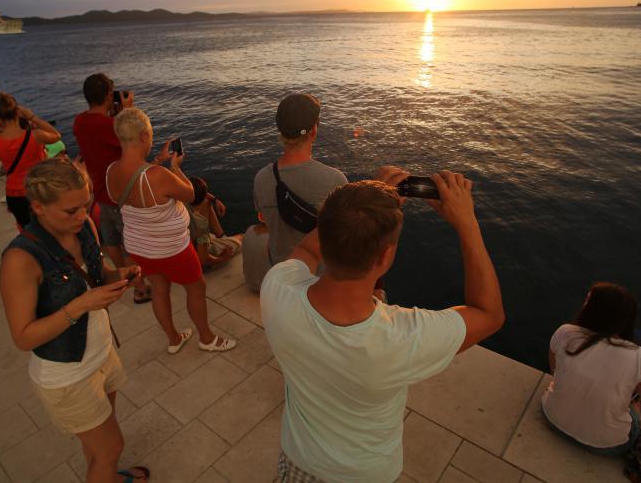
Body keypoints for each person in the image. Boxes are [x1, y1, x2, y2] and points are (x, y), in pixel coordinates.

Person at [261, 167, 504, 481]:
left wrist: (357, 212)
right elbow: (489, 313)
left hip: (299, 461)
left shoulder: (277, 288)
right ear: (385, 256)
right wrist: (467, 222)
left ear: (325, 232)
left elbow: (306, 249)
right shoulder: (402, 339)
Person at [0, 159, 149, 483]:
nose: (82, 216)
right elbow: (23, 337)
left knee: (98, 445)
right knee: (111, 448)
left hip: (101, 353)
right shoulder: (20, 259)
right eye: (71, 211)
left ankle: (105, 476)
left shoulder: (85, 228)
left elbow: (97, 275)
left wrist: (119, 276)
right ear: (38, 207)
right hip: (66, 375)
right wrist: (80, 305)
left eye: (86, 204)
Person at [106, 108, 236, 353]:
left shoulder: (111, 171)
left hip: (139, 247)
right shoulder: (158, 176)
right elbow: (192, 195)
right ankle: (207, 339)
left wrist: (158, 161)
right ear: (144, 136)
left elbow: (136, 183)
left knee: (159, 289)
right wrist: (175, 167)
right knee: (196, 288)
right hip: (171, 248)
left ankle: (174, 339)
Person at [542, 283, 641, 465]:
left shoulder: (564, 332)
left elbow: (555, 372)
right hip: (607, 445)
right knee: (636, 403)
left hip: (552, 418)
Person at [72, 73, 152, 305]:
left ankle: (125, 278)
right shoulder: (109, 126)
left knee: (111, 241)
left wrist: (116, 115)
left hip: (99, 193)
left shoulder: (79, 122)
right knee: (129, 244)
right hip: (120, 194)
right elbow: (134, 141)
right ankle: (140, 288)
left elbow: (104, 137)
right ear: (109, 95)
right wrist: (127, 111)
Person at [252, 93, 347, 282]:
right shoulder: (335, 180)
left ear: (281, 130)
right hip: (318, 278)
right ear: (314, 130)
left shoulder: (261, 178)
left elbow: (263, 219)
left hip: (279, 270)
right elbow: (343, 236)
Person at [0, 92, 61, 228]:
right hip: (38, 191)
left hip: (14, 195)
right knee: (49, 228)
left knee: (27, 231)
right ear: (18, 112)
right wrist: (32, 117)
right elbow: (56, 135)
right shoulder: (36, 136)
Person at [187, 176, 242, 270]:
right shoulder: (201, 226)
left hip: (185, 250)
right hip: (199, 261)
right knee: (242, 238)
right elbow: (203, 259)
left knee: (207, 202)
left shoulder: (182, 204)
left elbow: (193, 192)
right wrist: (223, 257)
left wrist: (214, 200)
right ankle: (224, 240)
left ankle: (222, 237)